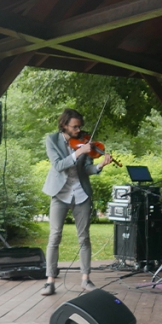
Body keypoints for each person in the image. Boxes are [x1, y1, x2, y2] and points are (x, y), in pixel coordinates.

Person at [40, 109, 113, 296]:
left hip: (81, 193)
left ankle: (85, 279)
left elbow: (86, 169)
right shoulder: (52, 140)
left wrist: (99, 166)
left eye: (80, 126)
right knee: (54, 236)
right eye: (74, 126)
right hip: (60, 193)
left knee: (84, 237)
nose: (78, 130)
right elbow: (58, 165)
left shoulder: (85, 142)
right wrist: (78, 152)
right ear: (64, 125)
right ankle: (50, 281)